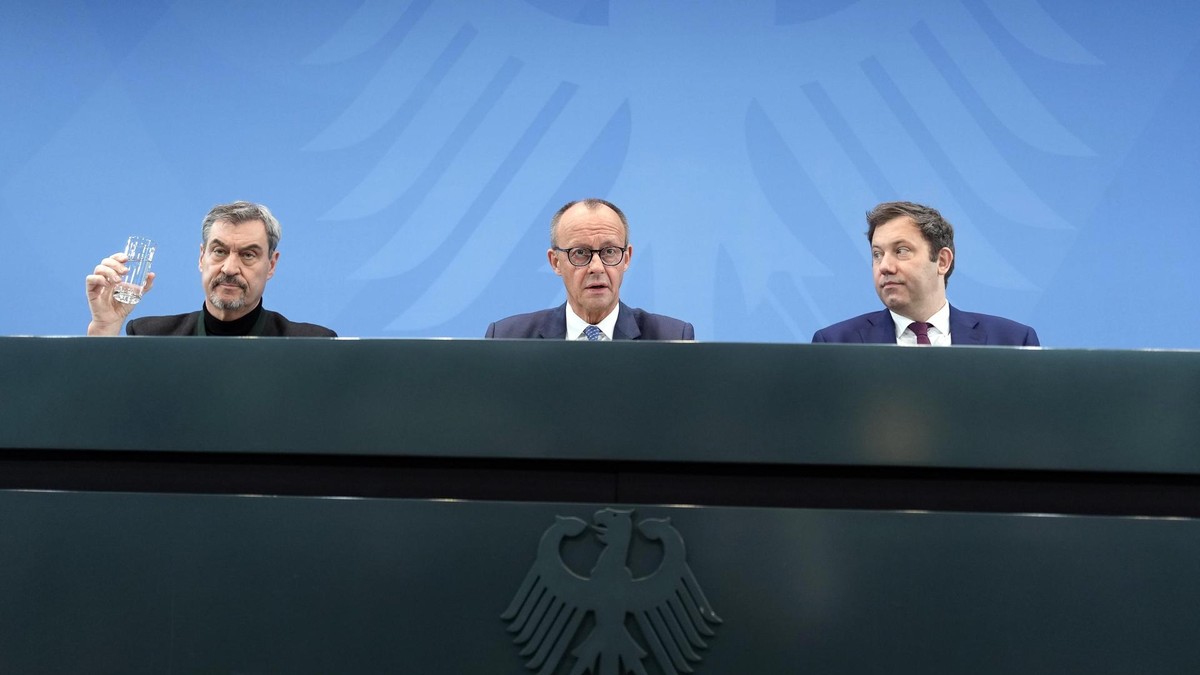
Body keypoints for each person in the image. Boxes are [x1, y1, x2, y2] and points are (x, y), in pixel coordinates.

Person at [85, 201, 336, 337]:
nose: (229, 268)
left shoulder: (311, 345)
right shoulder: (150, 338)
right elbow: (102, 413)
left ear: (271, 265)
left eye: (248, 255)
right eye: (219, 251)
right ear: (201, 257)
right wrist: (105, 326)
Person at [812, 201, 1038, 346]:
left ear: (942, 261)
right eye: (877, 254)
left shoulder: (1012, 342)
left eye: (901, 251)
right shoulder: (836, 346)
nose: (884, 266)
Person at [485, 198, 693, 340]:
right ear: (555, 262)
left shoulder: (671, 338)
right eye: (580, 253)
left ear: (626, 258)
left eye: (609, 252)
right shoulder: (508, 339)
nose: (596, 267)